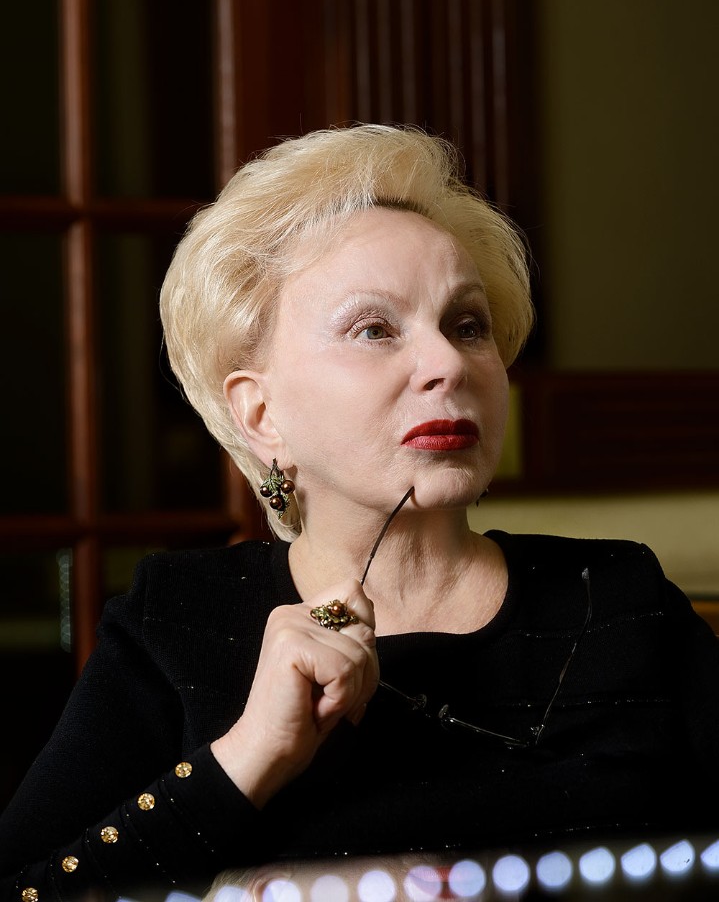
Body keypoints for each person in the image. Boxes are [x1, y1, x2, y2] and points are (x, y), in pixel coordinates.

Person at [2, 123, 719, 902]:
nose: (447, 364)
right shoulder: (174, 619)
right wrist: (248, 757)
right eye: (373, 329)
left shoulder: (619, 595)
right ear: (261, 414)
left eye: (467, 325)